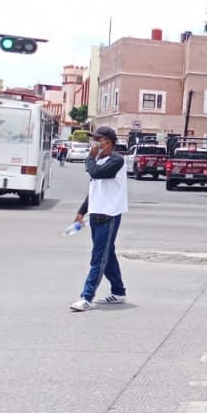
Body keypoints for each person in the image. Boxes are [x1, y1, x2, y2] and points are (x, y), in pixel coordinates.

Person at [69, 125, 128, 312]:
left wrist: (89, 157)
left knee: (98, 258)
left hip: (109, 215)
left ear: (108, 142)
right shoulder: (98, 160)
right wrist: (82, 211)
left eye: (97, 139)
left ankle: (86, 297)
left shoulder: (117, 160)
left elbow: (96, 173)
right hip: (95, 213)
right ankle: (118, 291)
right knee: (107, 254)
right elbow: (94, 188)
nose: (93, 143)